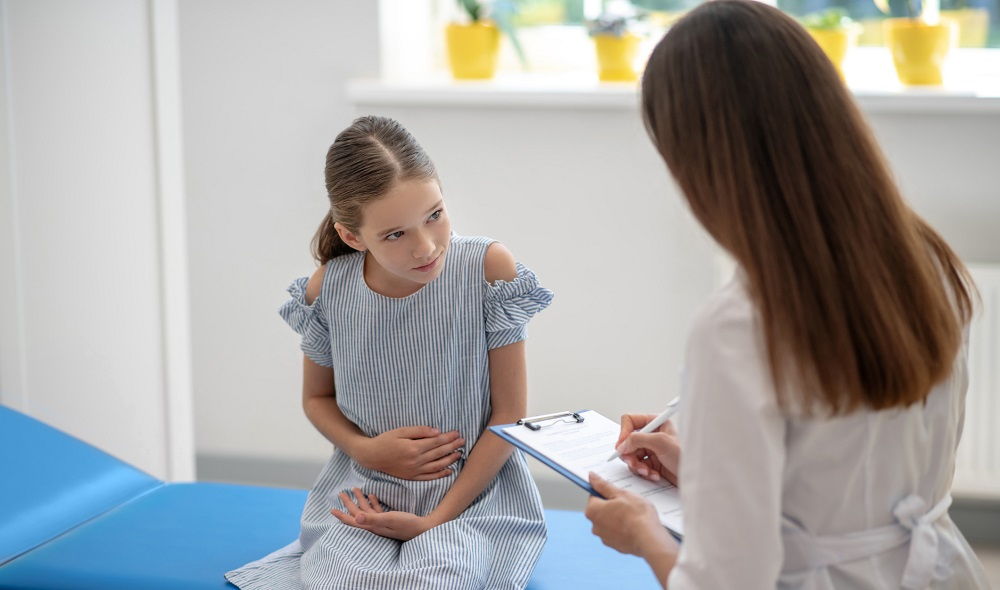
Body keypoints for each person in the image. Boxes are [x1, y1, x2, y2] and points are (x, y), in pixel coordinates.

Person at [583, 1, 992, 588]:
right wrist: (708, 470)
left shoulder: (739, 325)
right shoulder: (925, 257)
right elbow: (850, 475)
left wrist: (642, 535)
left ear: (700, 164)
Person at [225, 115, 553, 589]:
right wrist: (367, 450)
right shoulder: (328, 290)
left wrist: (433, 520)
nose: (425, 247)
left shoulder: (487, 269)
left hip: (472, 497)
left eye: (434, 215)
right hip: (365, 491)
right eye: (395, 234)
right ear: (353, 236)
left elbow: (509, 415)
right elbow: (317, 399)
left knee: (436, 579)